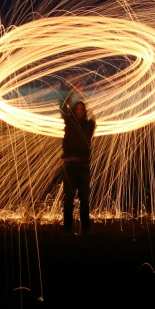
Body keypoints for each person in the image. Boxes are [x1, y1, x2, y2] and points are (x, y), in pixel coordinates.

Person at [59, 79, 96, 235]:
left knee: (84, 199)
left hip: (83, 166)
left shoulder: (89, 125)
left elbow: (93, 115)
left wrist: (81, 95)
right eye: (77, 108)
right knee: (68, 198)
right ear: (74, 111)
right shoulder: (69, 122)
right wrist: (66, 90)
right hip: (69, 165)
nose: (80, 110)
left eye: (82, 108)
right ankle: (67, 228)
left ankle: (85, 229)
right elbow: (62, 106)